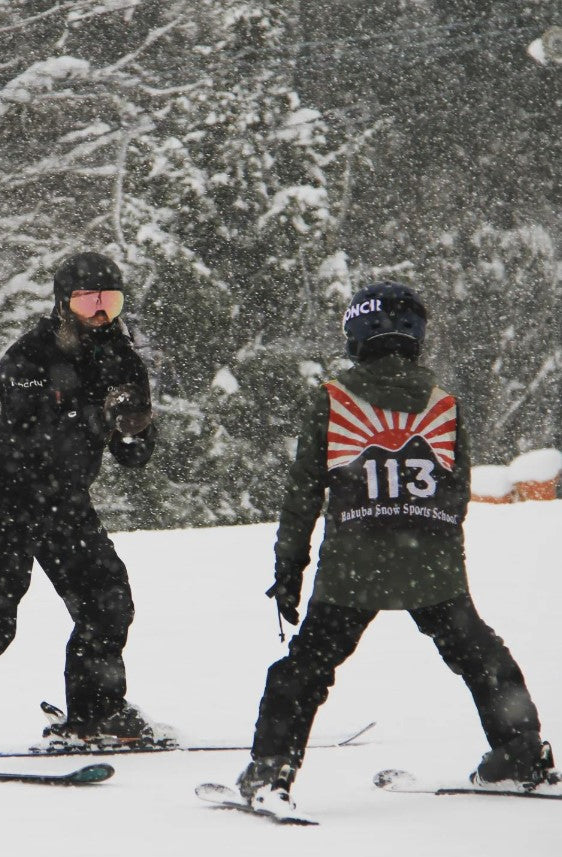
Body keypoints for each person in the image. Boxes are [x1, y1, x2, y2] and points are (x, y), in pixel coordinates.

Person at [237, 282, 555, 811]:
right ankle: (521, 754)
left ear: (356, 333)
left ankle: (271, 772)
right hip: (430, 566)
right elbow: (457, 491)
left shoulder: (333, 400)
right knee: (481, 657)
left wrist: (289, 565)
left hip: (351, 569)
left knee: (304, 670)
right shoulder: (444, 404)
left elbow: (302, 495)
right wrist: (443, 562)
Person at [0, 251, 171, 767]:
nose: (100, 313)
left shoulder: (124, 359)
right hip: (5, 494)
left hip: (64, 499)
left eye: (110, 300)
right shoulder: (31, 355)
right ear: (63, 303)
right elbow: (29, 432)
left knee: (106, 601)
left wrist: (137, 424)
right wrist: (95, 412)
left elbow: (134, 457)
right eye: (88, 300)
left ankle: (96, 716)